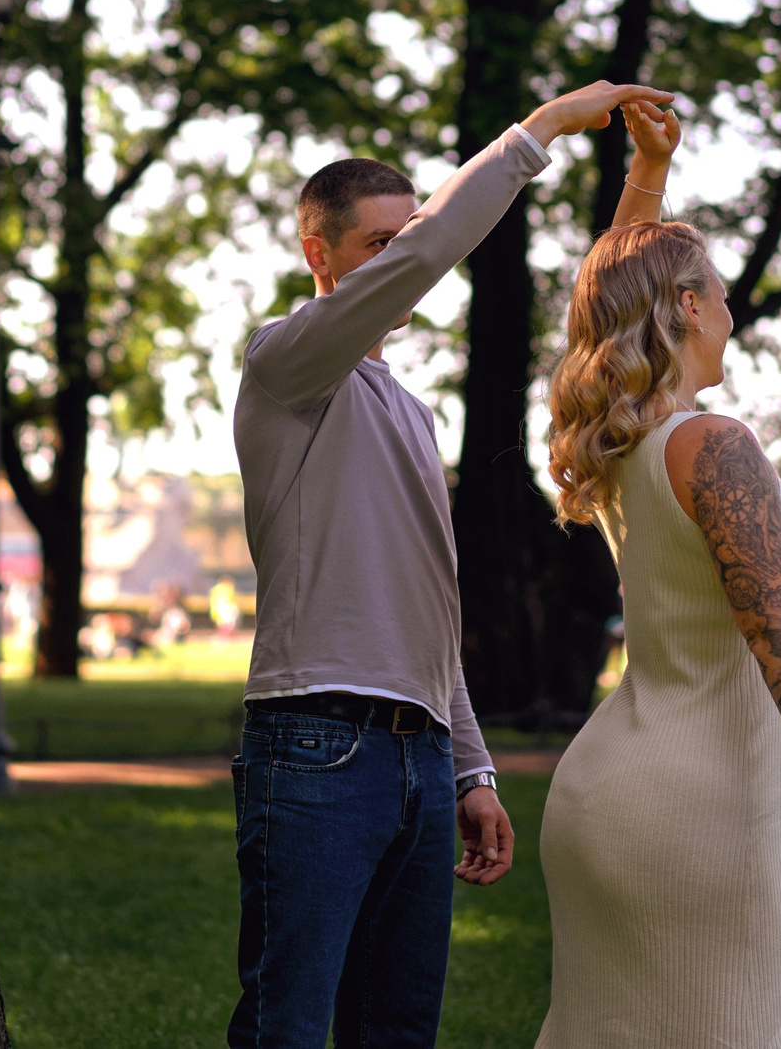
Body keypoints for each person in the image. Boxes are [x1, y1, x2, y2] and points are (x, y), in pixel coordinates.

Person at [228, 76, 671, 1049]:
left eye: (405, 240)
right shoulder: (286, 367)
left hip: (421, 759)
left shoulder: (413, 413)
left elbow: (432, 607)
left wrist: (469, 767)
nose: (402, 265)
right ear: (320, 256)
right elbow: (438, 243)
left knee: (398, 1031)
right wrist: (543, 128)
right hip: (314, 746)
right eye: (377, 248)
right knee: (288, 1030)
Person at [535, 108, 781, 1049]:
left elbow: (614, 280)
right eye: (723, 294)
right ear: (690, 307)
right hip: (692, 815)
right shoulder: (713, 443)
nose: (733, 313)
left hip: (619, 796)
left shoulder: (625, 443)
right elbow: (773, 625)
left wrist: (649, 170)